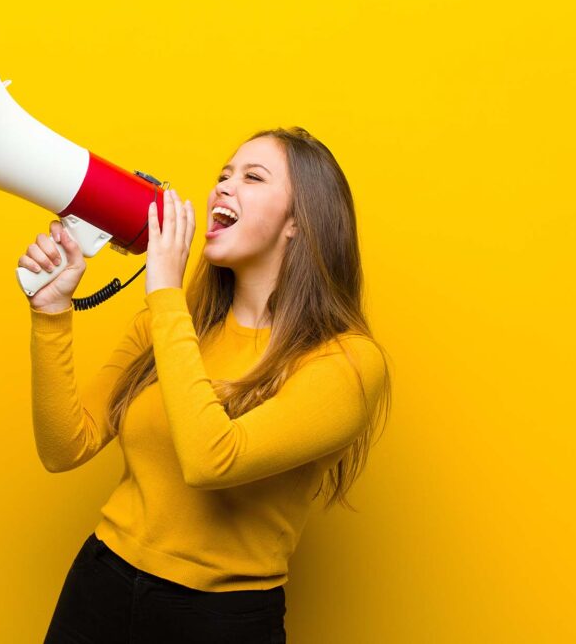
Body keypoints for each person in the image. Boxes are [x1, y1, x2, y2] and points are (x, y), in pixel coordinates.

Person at [21, 127, 392, 643]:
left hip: (219, 621)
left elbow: (211, 459)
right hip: (99, 587)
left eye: (252, 177)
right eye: (223, 174)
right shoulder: (171, 323)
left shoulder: (347, 363)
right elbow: (65, 446)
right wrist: (52, 313)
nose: (222, 186)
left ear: (298, 222)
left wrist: (166, 293)